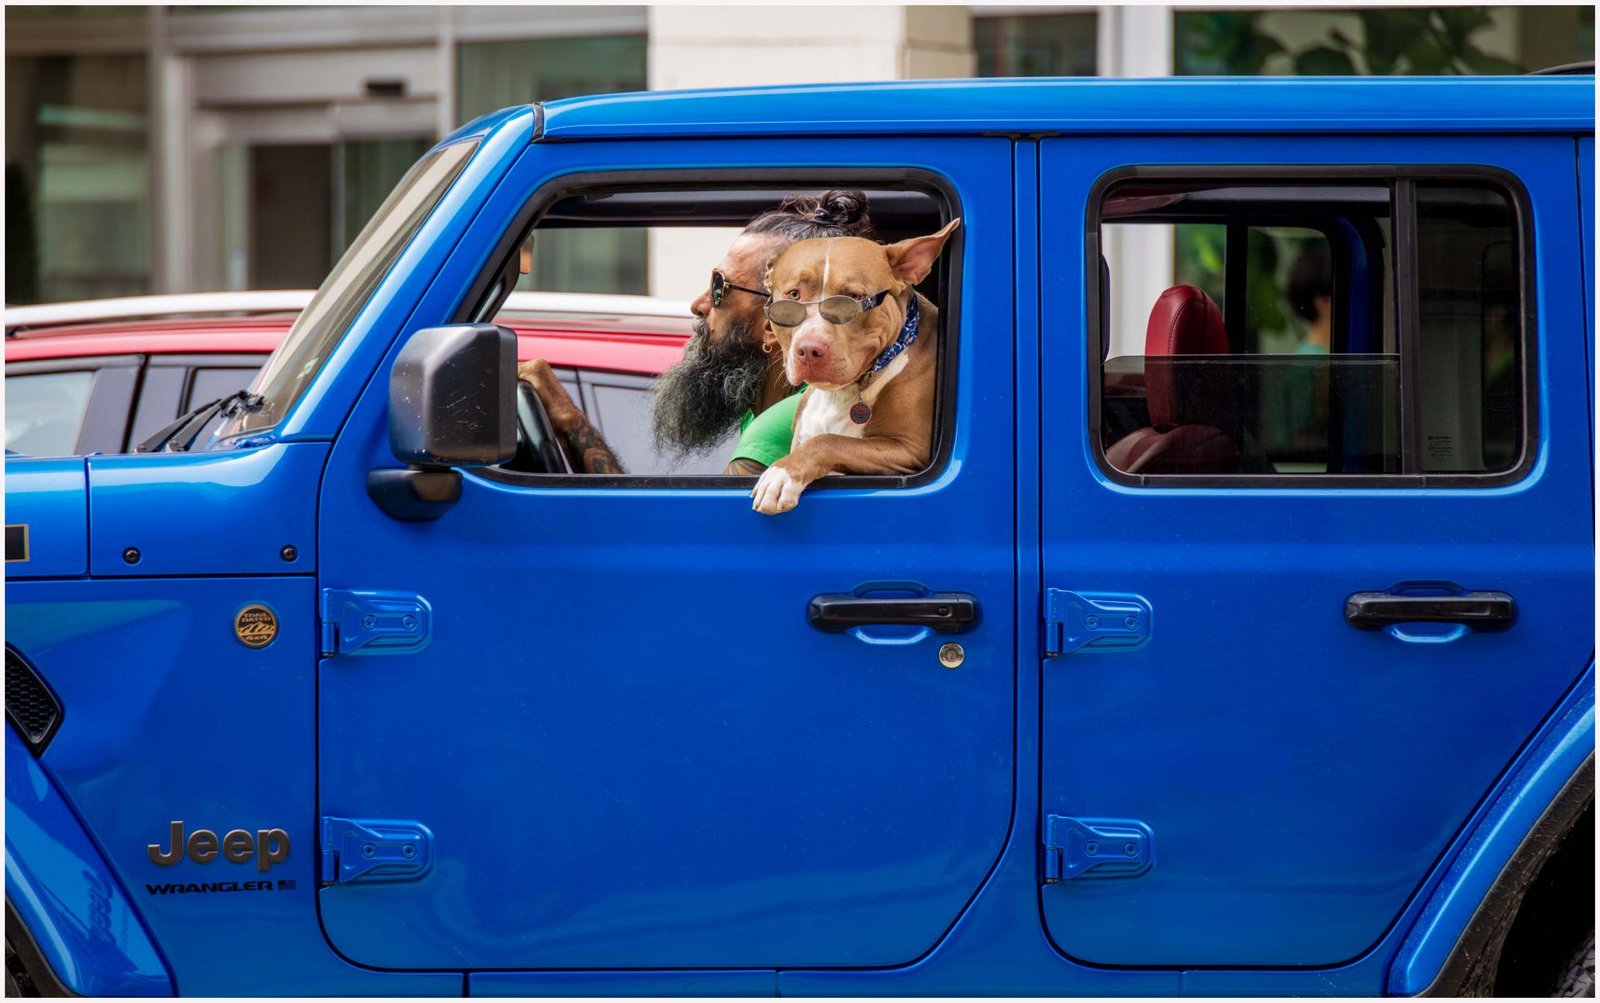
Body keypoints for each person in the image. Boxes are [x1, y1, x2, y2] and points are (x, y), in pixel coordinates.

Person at [517, 190, 878, 475]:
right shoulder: (769, 406)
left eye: (719, 286)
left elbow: (666, 547)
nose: (699, 303)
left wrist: (568, 418)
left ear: (775, 323)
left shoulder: (784, 424)